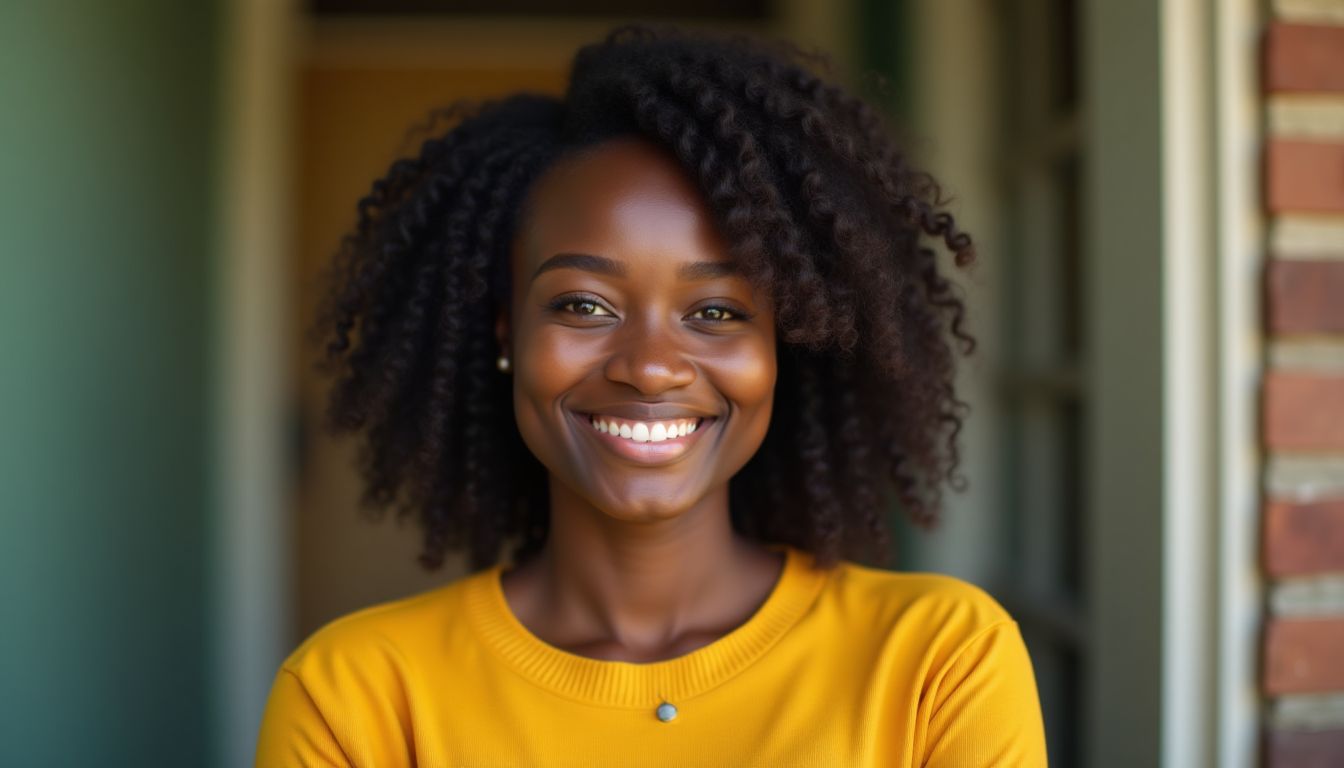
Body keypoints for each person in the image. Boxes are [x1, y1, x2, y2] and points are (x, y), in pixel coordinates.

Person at [255, 24, 1047, 767]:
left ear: (781, 347)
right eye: (583, 306)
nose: (652, 367)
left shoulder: (938, 660)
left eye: (716, 313)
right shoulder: (354, 697)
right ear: (506, 335)